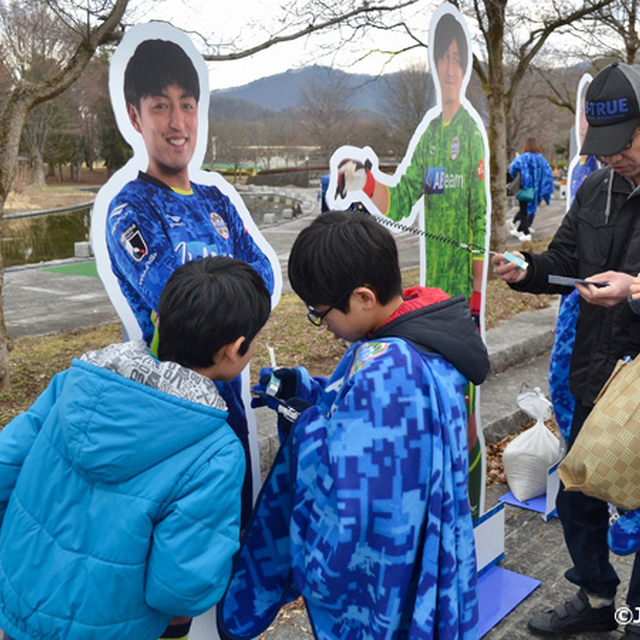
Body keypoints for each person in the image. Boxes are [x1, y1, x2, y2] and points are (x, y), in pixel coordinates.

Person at [218, 211, 490, 639]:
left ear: (364, 298)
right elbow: (359, 409)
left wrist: (302, 421)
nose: (322, 324)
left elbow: (348, 501)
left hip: (393, 587)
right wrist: (308, 388)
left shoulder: (391, 370)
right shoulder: (417, 337)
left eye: (321, 313)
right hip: (432, 553)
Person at [0, 256, 271, 640]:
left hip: (20, 603)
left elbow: (4, 465)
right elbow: (180, 586)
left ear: (158, 319)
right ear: (236, 348)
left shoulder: (73, 382)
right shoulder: (214, 451)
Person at [492, 61, 640, 639]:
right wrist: (525, 269)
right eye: (600, 146)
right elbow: (563, 262)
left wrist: (634, 290)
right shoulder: (596, 187)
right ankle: (596, 597)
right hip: (591, 372)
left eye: (623, 143)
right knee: (577, 491)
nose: (611, 157)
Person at [104, 37, 276, 530]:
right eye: (161, 106)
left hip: (231, 415)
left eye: (187, 105)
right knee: (186, 558)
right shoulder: (130, 211)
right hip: (170, 421)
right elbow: (179, 305)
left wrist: (226, 302)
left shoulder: (218, 201)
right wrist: (229, 301)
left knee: (236, 535)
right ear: (136, 117)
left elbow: (261, 277)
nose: (177, 122)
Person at [332, 9, 489, 520]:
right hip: (427, 296)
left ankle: (467, 503)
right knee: (437, 400)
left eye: (457, 56)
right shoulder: (428, 135)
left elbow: (482, 219)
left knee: (464, 406)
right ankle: (438, 501)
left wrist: (479, 300)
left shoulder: (471, 132)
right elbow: (400, 203)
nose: (449, 65)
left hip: (463, 295)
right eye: (442, 56)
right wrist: (362, 180)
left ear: (465, 65)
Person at [507, 137, 555, 241]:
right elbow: (548, 173)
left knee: (523, 210)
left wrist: (517, 175)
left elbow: (512, 168)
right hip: (536, 190)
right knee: (530, 209)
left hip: (525, 189)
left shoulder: (523, 158)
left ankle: (526, 232)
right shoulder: (541, 159)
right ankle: (520, 229)